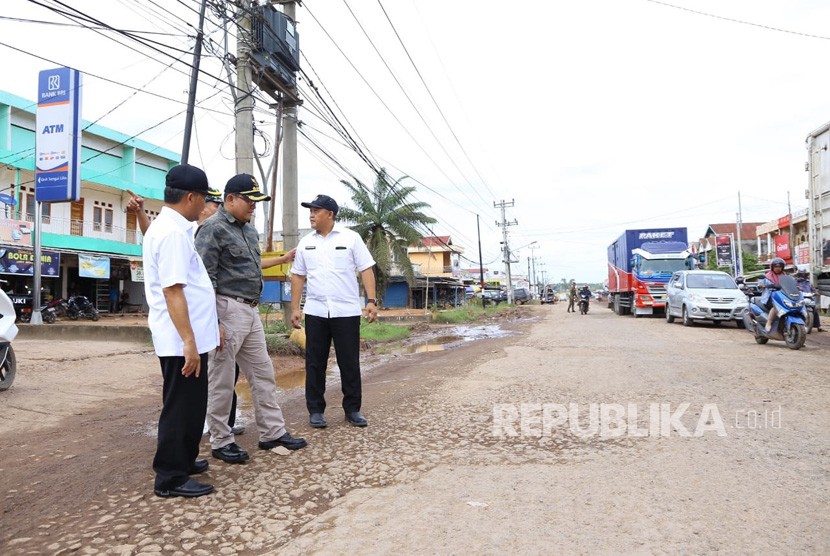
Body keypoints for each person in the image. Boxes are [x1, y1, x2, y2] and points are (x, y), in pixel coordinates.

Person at [195, 173, 307, 463]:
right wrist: (213, 322)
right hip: (225, 309)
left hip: (250, 310)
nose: (253, 207)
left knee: (263, 373)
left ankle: (272, 432)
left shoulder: (247, 230)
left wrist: (282, 260)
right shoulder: (212, 229)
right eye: (249, 201)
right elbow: (203, 279)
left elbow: (254, 263)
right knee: (221, 379)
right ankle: (221, 440)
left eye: (256, 202)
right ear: (230, 199)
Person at [142, 163, 218, 498]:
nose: (205, 206)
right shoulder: (171, 233)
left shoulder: (172, 228)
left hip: (188, 335)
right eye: (204, 199)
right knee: (180, 406)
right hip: (180, 338)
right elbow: (173, 290)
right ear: (191, 197)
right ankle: (170, 477)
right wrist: (189, 340)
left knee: (192, 403)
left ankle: (185, 460)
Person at [290, 194, 377, 429]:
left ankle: (353, 409)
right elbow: (298, 275)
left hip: (346, 312)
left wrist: (371, 300)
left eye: (316, 211)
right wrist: (295, 308)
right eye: (310, 211)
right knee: (315, 363)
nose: (311, 215)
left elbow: (366, 269)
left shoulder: (351, 238)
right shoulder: (306, 242)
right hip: (316, 311)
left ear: (330, 214)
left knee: (349, 362)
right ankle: (316, 410)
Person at [759, 257, 785, 333]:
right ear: (772, 267)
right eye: (776, 267)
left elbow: (791, 283)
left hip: (783, 296)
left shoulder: (785, 276)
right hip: (770, 297)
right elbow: (760, 284)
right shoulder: (767, 276)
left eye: (780, 267)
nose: (778, 268)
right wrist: (761, 285)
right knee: (776, 306)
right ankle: (769, 323)